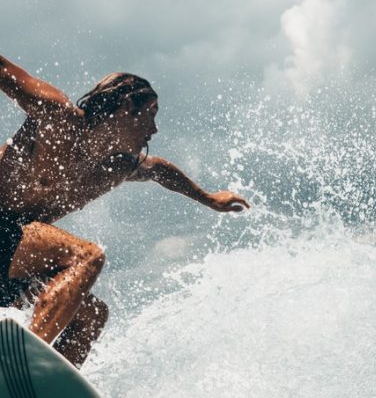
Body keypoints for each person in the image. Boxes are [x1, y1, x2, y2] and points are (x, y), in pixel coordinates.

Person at [0, 54, 250, 367]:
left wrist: (210, 199)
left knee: (91, 316)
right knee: (86, 256)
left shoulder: (115, 166)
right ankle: (21, 364)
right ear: (126, 107)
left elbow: (159, 170)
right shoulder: (59, 119)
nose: (155, 129)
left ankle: (40, 385)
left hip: (12, 257)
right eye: (151, 114)